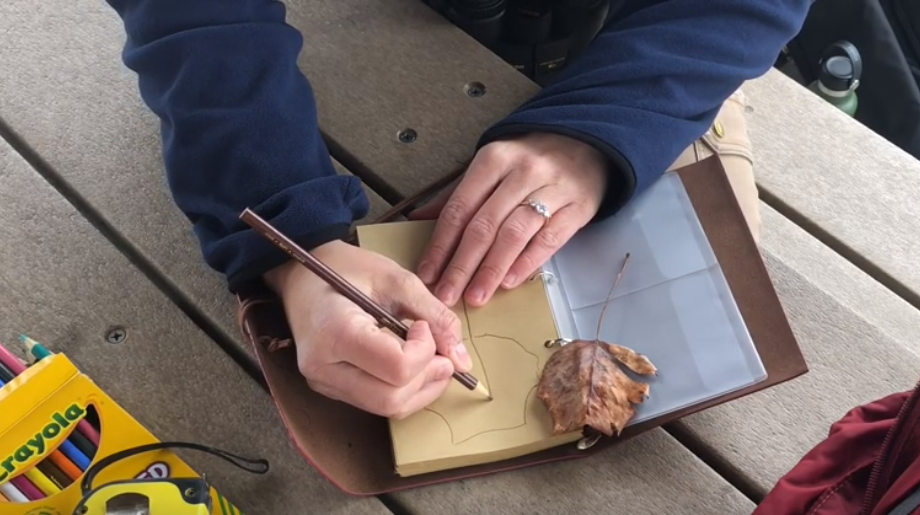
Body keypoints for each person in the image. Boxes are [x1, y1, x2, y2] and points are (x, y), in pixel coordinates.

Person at [103, 0, 811, 419]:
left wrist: (600, 132)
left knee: (705, 377)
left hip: (659, 50)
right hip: (344, 32)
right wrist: (294, 238)